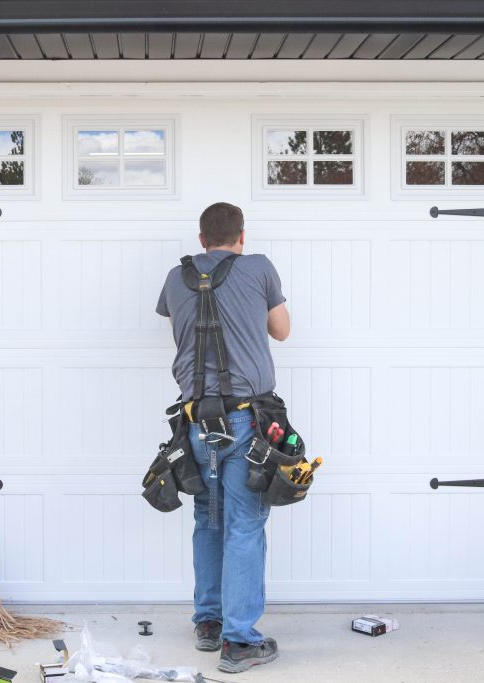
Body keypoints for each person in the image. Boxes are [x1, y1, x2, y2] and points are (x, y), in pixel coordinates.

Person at [155, 201, 290, 674]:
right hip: (245, 423)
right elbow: (282, 330)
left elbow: (180, 328)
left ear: (200, 239)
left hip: (195, 424)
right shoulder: (259, 268)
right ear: (242, 236)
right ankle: (239, 642)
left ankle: (209, 624)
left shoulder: (176, 278)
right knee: (245, 525)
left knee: (208, 521)